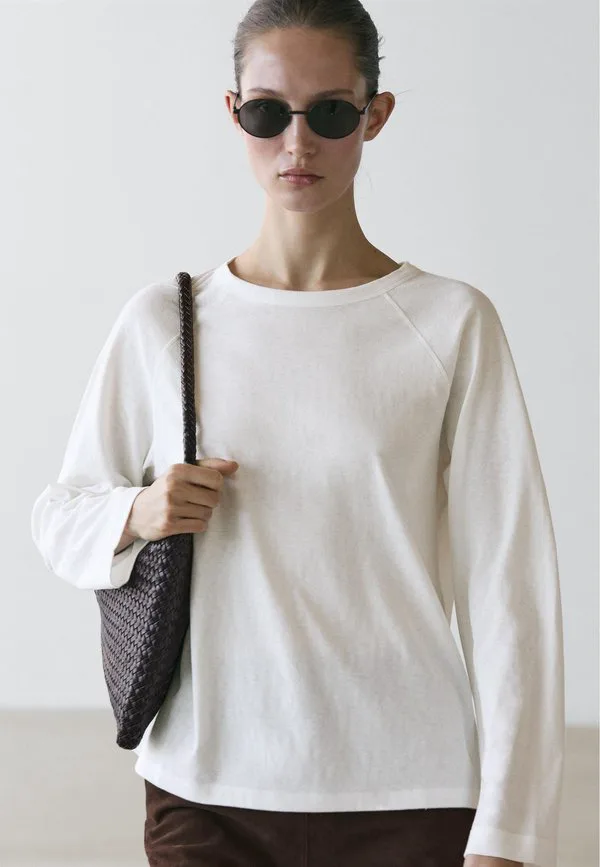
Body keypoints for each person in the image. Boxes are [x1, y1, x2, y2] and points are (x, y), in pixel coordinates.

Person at [30, 1, 565, 866]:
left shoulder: (450, 324)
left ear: (375, 115)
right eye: (268, 112)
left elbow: (511, 590)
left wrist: (510, 832)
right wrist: (140, 510)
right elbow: (58, 517)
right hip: (205, 789)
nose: (297, 142)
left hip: (411, 790)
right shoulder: (167, 321)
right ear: (233, 111)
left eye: (331, 113)